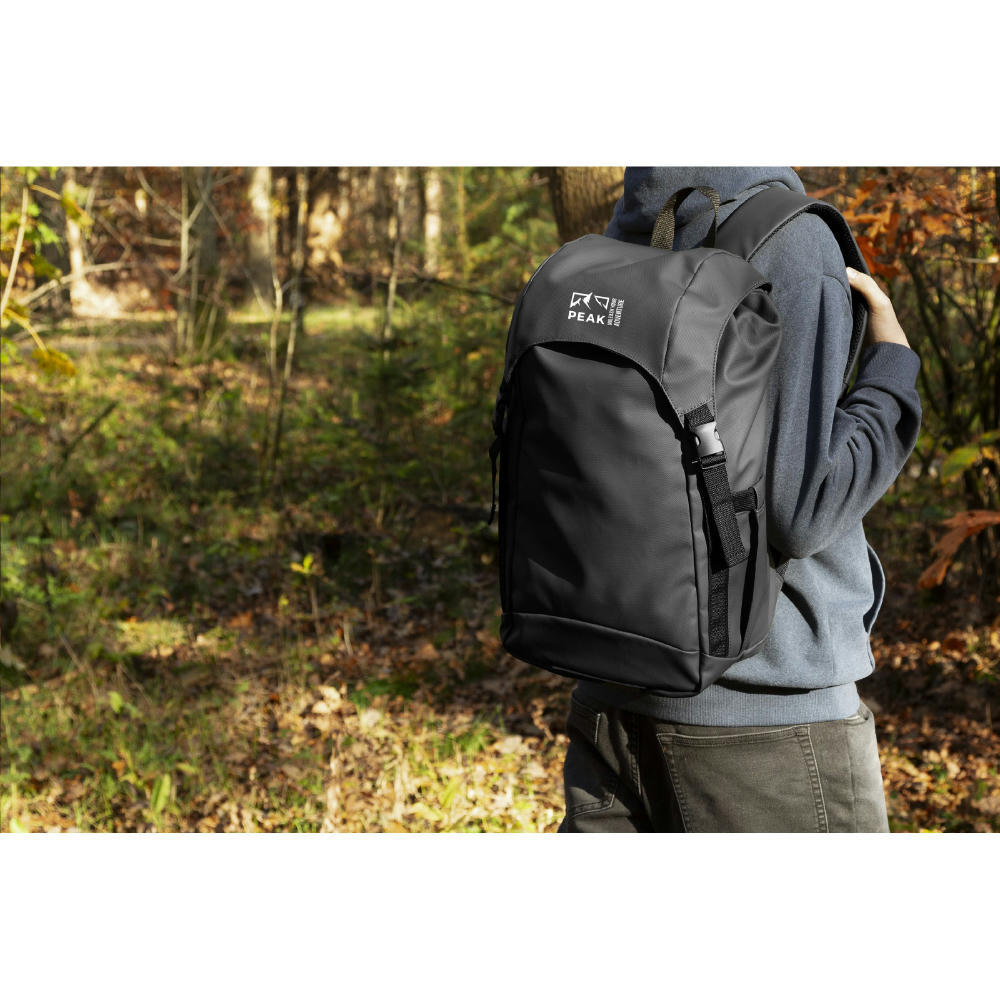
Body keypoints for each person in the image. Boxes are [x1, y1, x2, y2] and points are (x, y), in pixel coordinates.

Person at [558, 167, 922, 833]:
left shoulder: (629, 227)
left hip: (608, 691)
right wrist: (891, 374)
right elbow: (803, 509)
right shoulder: (794, 240)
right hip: (764, 723)